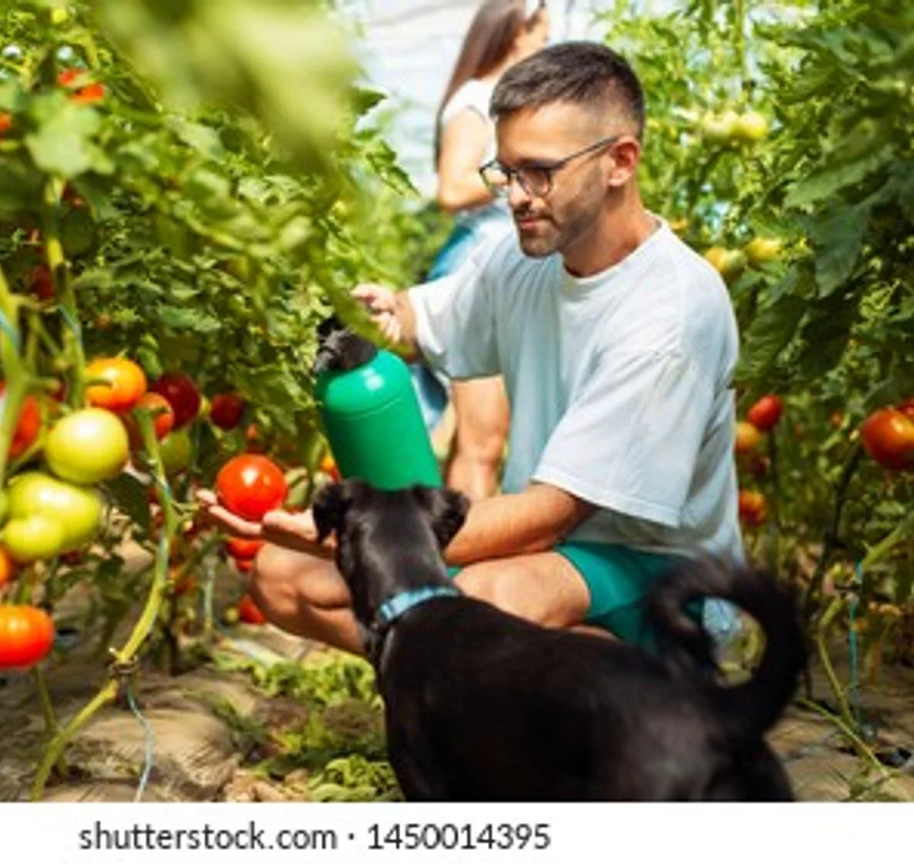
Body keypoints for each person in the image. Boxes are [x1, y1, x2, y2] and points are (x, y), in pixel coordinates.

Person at [197, 41, 746, 657]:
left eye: (538, 171)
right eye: (506, 172)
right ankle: (461, 690)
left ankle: (648, 698)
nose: (515, 195)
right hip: (553, 555)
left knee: (479, 603)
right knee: (281, 577)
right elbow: (419, 321)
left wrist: (352, 535)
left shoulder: (667, 315)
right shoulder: (522, 259)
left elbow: (549, 514)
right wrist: (367, 316)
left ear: (619, 161)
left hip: (667, 582)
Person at [411, 0, 551, 502]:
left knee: (485, 440)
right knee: (482, 442)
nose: (544, 46)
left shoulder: (506, 103)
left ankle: (452, 557)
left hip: (505, 270)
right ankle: (468, 570)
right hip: (477, 268)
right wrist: (526, 172)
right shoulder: (476, 99)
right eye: (540, 35)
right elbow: (450, 189)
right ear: (516, 33)